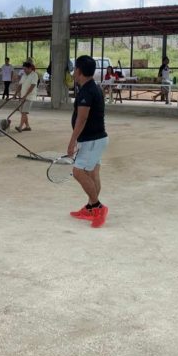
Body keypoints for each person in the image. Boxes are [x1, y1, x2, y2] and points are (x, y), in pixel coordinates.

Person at [67, 55, 109, 229]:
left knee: (78, 172)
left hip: (92, 140)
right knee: (92, 173)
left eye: (75, 69)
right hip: (97, 138)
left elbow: (82, 119)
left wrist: (72, 141)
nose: (73, 72)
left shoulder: (86, 91)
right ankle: (91, 207)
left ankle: (98, 206)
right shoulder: (94, 87)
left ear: (79, 71)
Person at [14, 61, 38, 133]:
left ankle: (20, 127)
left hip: (29, 97)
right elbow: (20, 85)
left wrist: (25, 95)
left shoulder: (34, 75)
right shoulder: (24, 75)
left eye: (25, 69)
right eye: (23, 69)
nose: (24, 70)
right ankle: (27, 126)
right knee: (23, 112)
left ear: (30, 68)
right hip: (23, 96)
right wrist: (15, 94)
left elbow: (32, 86)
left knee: (24, 112)